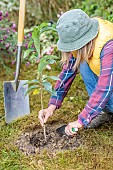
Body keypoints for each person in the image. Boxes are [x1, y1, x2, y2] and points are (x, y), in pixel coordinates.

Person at [38, 9, 113, 136]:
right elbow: (67, 72)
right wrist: (52, 106)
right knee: (82, 61)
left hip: (108, 85)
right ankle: (105, 110)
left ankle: (101, 109)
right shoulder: (83, 38)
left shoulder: (109, 46)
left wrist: (81, 120)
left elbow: (104, 88)